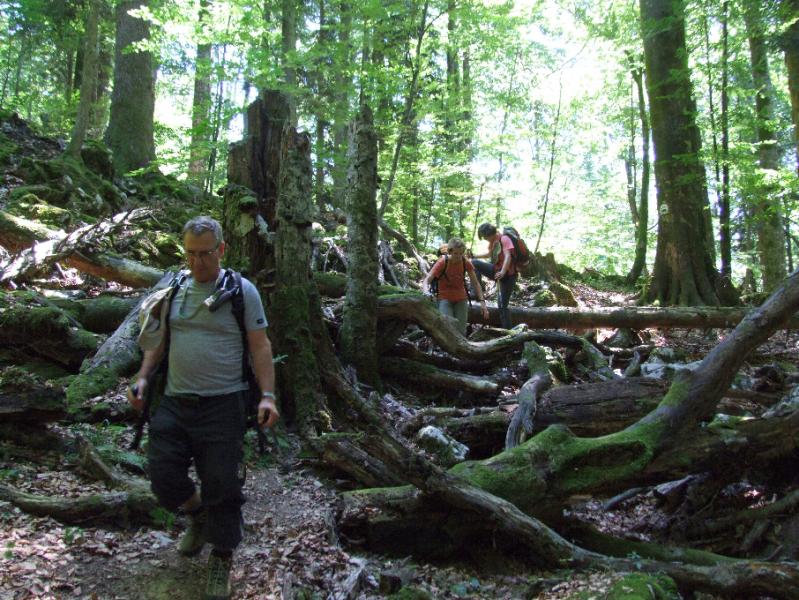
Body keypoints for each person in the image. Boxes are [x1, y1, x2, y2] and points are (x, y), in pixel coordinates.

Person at [127, 216, 279, 600]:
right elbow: (158, 342)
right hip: (175, 400)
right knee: (162, 474)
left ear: (221, 250)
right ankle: (197, 515)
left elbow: (260, 345)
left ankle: (222, 557)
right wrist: (143, 376)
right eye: (191, 254)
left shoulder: (241, 292)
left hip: (224, 404)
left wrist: (267, 395)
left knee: (222, 484)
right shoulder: (175, 290)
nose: (197, 262)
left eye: (206, 253)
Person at [422, 237, 489, 334]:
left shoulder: (465, 262)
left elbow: (476, 283)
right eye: (456, 253)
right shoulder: (442, 262)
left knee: (461, 331)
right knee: (447, 327)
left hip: (461, 298)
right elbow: (427, 280)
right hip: (444, 298)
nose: (458, 256)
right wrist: (425, 292)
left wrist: (483, 303)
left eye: (461, 253)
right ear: (450, 252)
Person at [471, 223, 518, 329]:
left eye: (485, 237)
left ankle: (509, 332)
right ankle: (475, 292)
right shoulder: (493, 241)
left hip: (508, 276)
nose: (485, 239)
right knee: (474, 262)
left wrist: (503, 272)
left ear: (490, 234)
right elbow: (489, 255)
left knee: (502, 306)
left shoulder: (504, 239)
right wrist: (474, 255)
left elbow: (508, 256)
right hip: (496, 270)